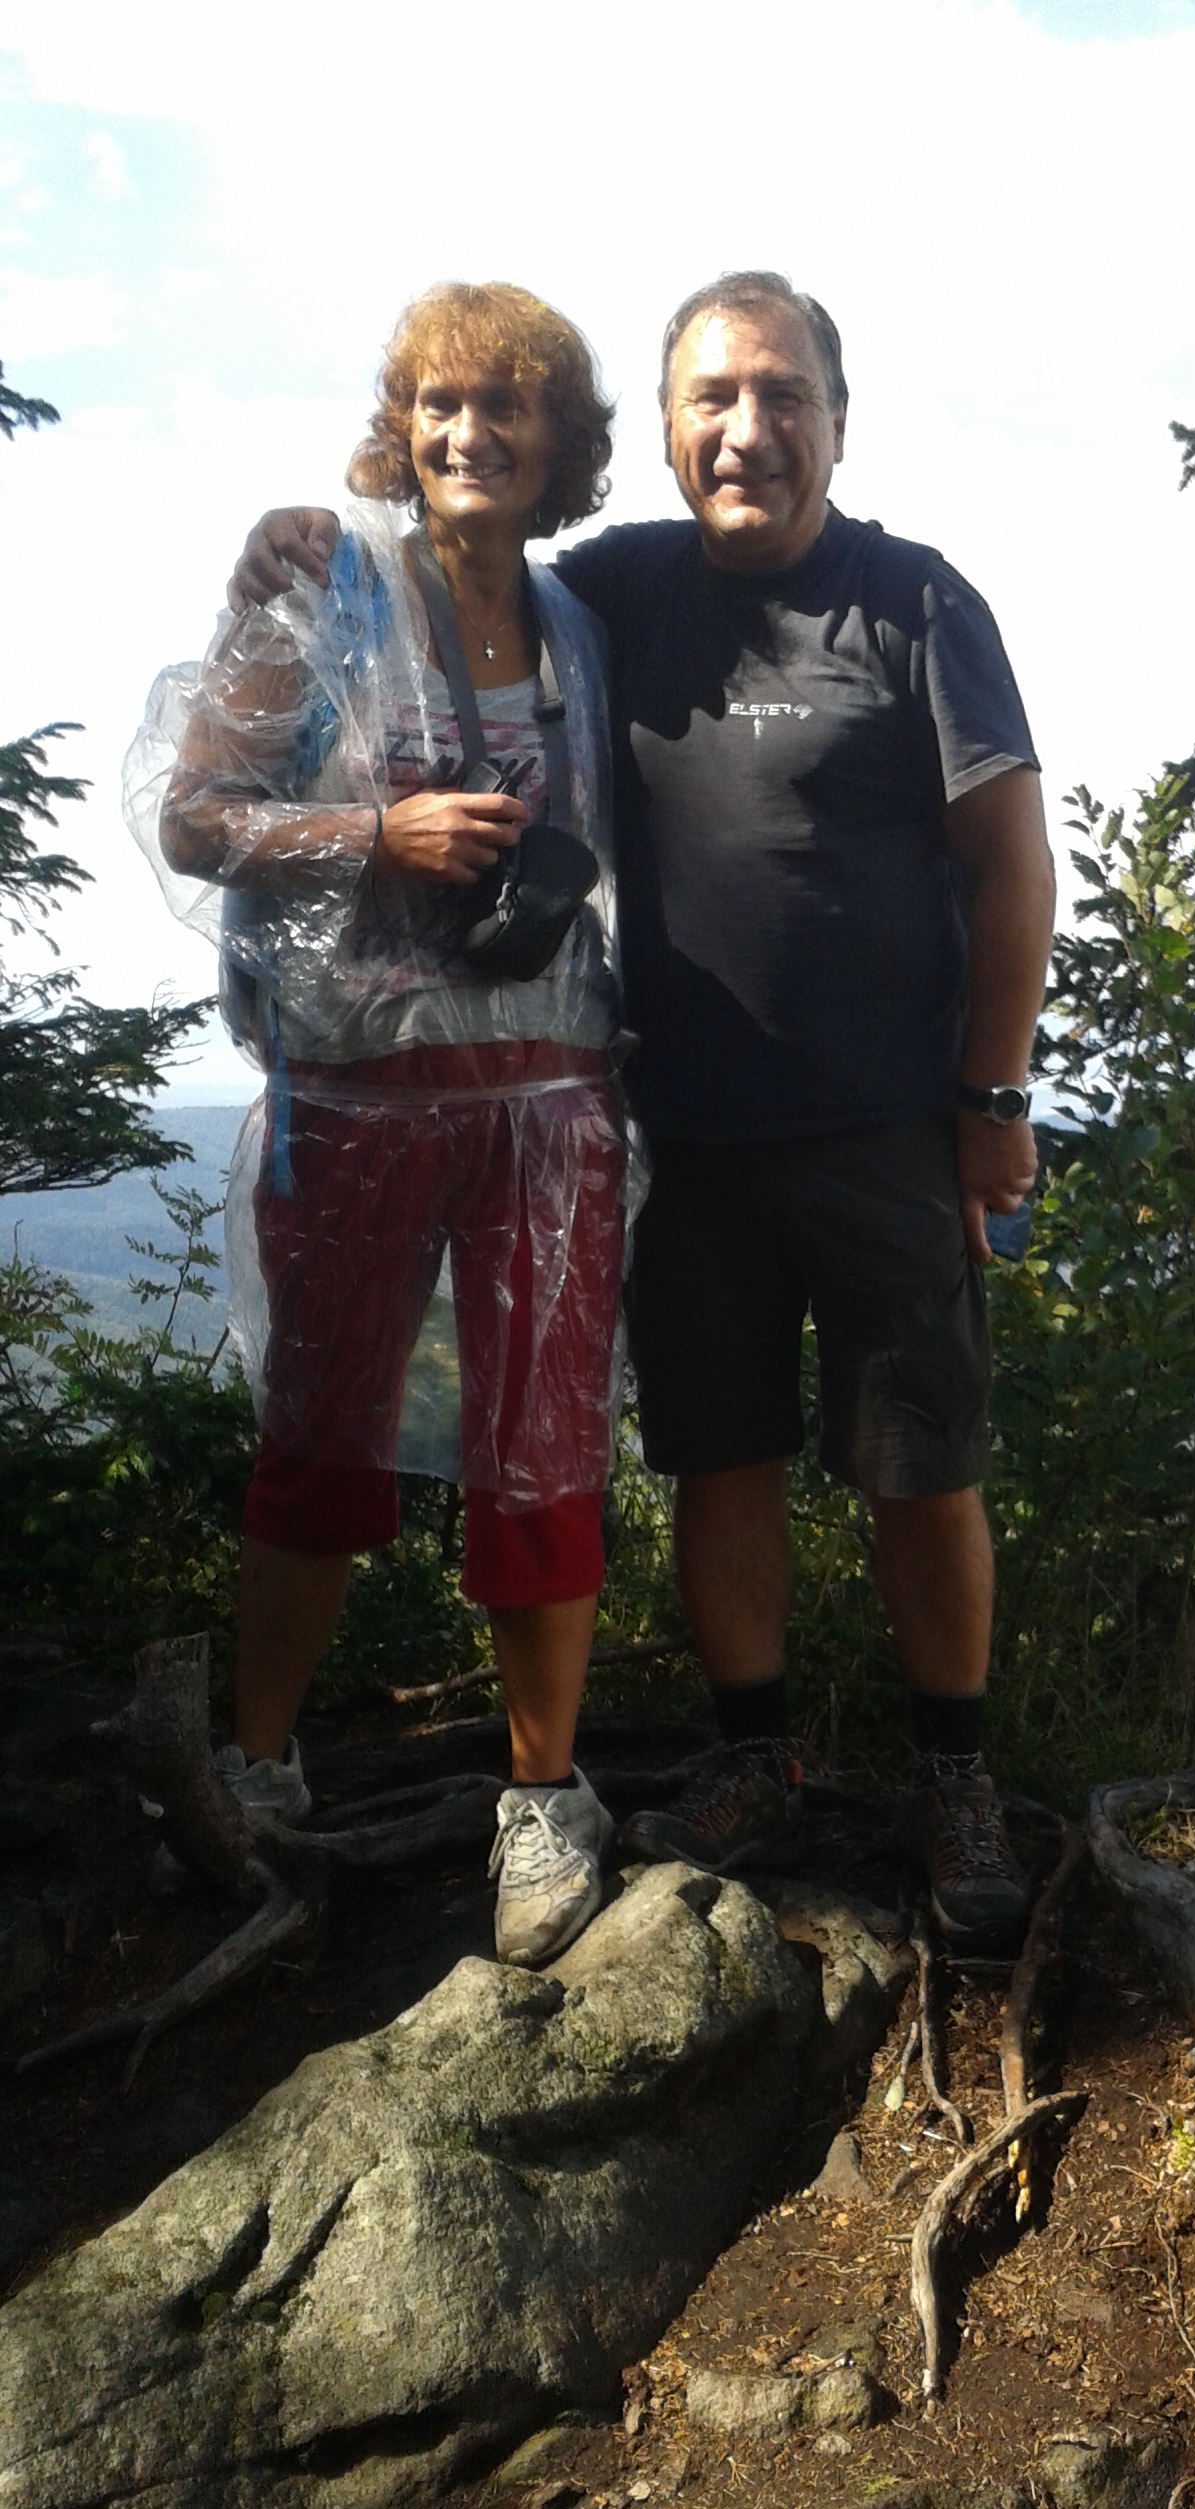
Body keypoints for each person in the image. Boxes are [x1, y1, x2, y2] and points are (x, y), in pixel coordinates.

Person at [228, 269, 1054, 1954]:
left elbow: (1011, 863)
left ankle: (952, 1777)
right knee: (719, 1458)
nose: (748, 431)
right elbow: (457, 544)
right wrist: (309, 541)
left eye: (783, 396)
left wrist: (992, 1096)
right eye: (713, 400)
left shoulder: (911, 602)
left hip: (885, 1122)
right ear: (668, 435)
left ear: (837, 419)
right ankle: (755, 1758)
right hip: (675, 1129)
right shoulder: (611, 592)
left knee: (921, 1463)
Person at [127, 280, 631, 1969]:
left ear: (560, 440)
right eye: (438, 403)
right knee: (321, 1433)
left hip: (552, 1101)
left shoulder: (580, 628)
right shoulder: (324, 589)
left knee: (544, 1450)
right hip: (357, 1099)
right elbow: (193, 816)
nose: (467, 432)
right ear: (400, 429)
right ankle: (259, 1768)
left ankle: (542, 1799)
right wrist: (375, 834)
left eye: (505, 405)